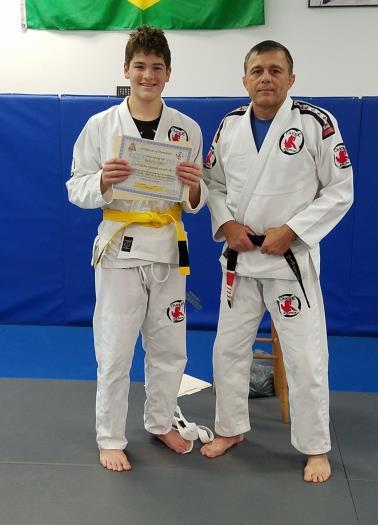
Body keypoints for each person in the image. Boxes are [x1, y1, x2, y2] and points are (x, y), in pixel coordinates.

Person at [200, 40, 353, 483]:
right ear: (245, 79)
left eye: (274, 70)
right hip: (241, 259)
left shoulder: (316, 123)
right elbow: (212, 183)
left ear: (291, 78)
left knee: (306, 358)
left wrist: (294, 230)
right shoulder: (229, 126)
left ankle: (315, 447)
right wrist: (227, 223)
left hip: (289, 261)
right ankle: (230, 428)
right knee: (228, 350)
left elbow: (340, 190)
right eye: (257, 71)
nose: (265, 78)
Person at [67, 26, 207, 473]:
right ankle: (110, 437)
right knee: (114, 349)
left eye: (157, 68)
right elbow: (75, 187)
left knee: (170, 348)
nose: (148, 75)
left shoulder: (187, 129)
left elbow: (196, 200)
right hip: (119, 252)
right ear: (126, 69)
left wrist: (194, 187)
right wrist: (102, 181)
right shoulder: (100, 126)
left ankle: (161, 421)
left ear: (168, 74)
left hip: (168, 249)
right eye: (140, 66)